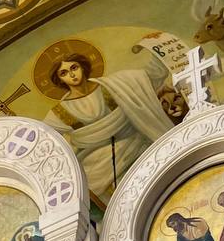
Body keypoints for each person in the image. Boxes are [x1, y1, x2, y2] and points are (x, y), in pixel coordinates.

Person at [41, 51, 173, 201]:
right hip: (98, 164)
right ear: (59, 79)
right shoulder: (60, 111)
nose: (71, 75)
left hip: (138, 145)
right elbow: (43, 138)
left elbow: (152, 76)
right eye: (64, 73)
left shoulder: (113, 85)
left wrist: (155, 47)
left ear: (82, 67)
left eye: (74, 67)